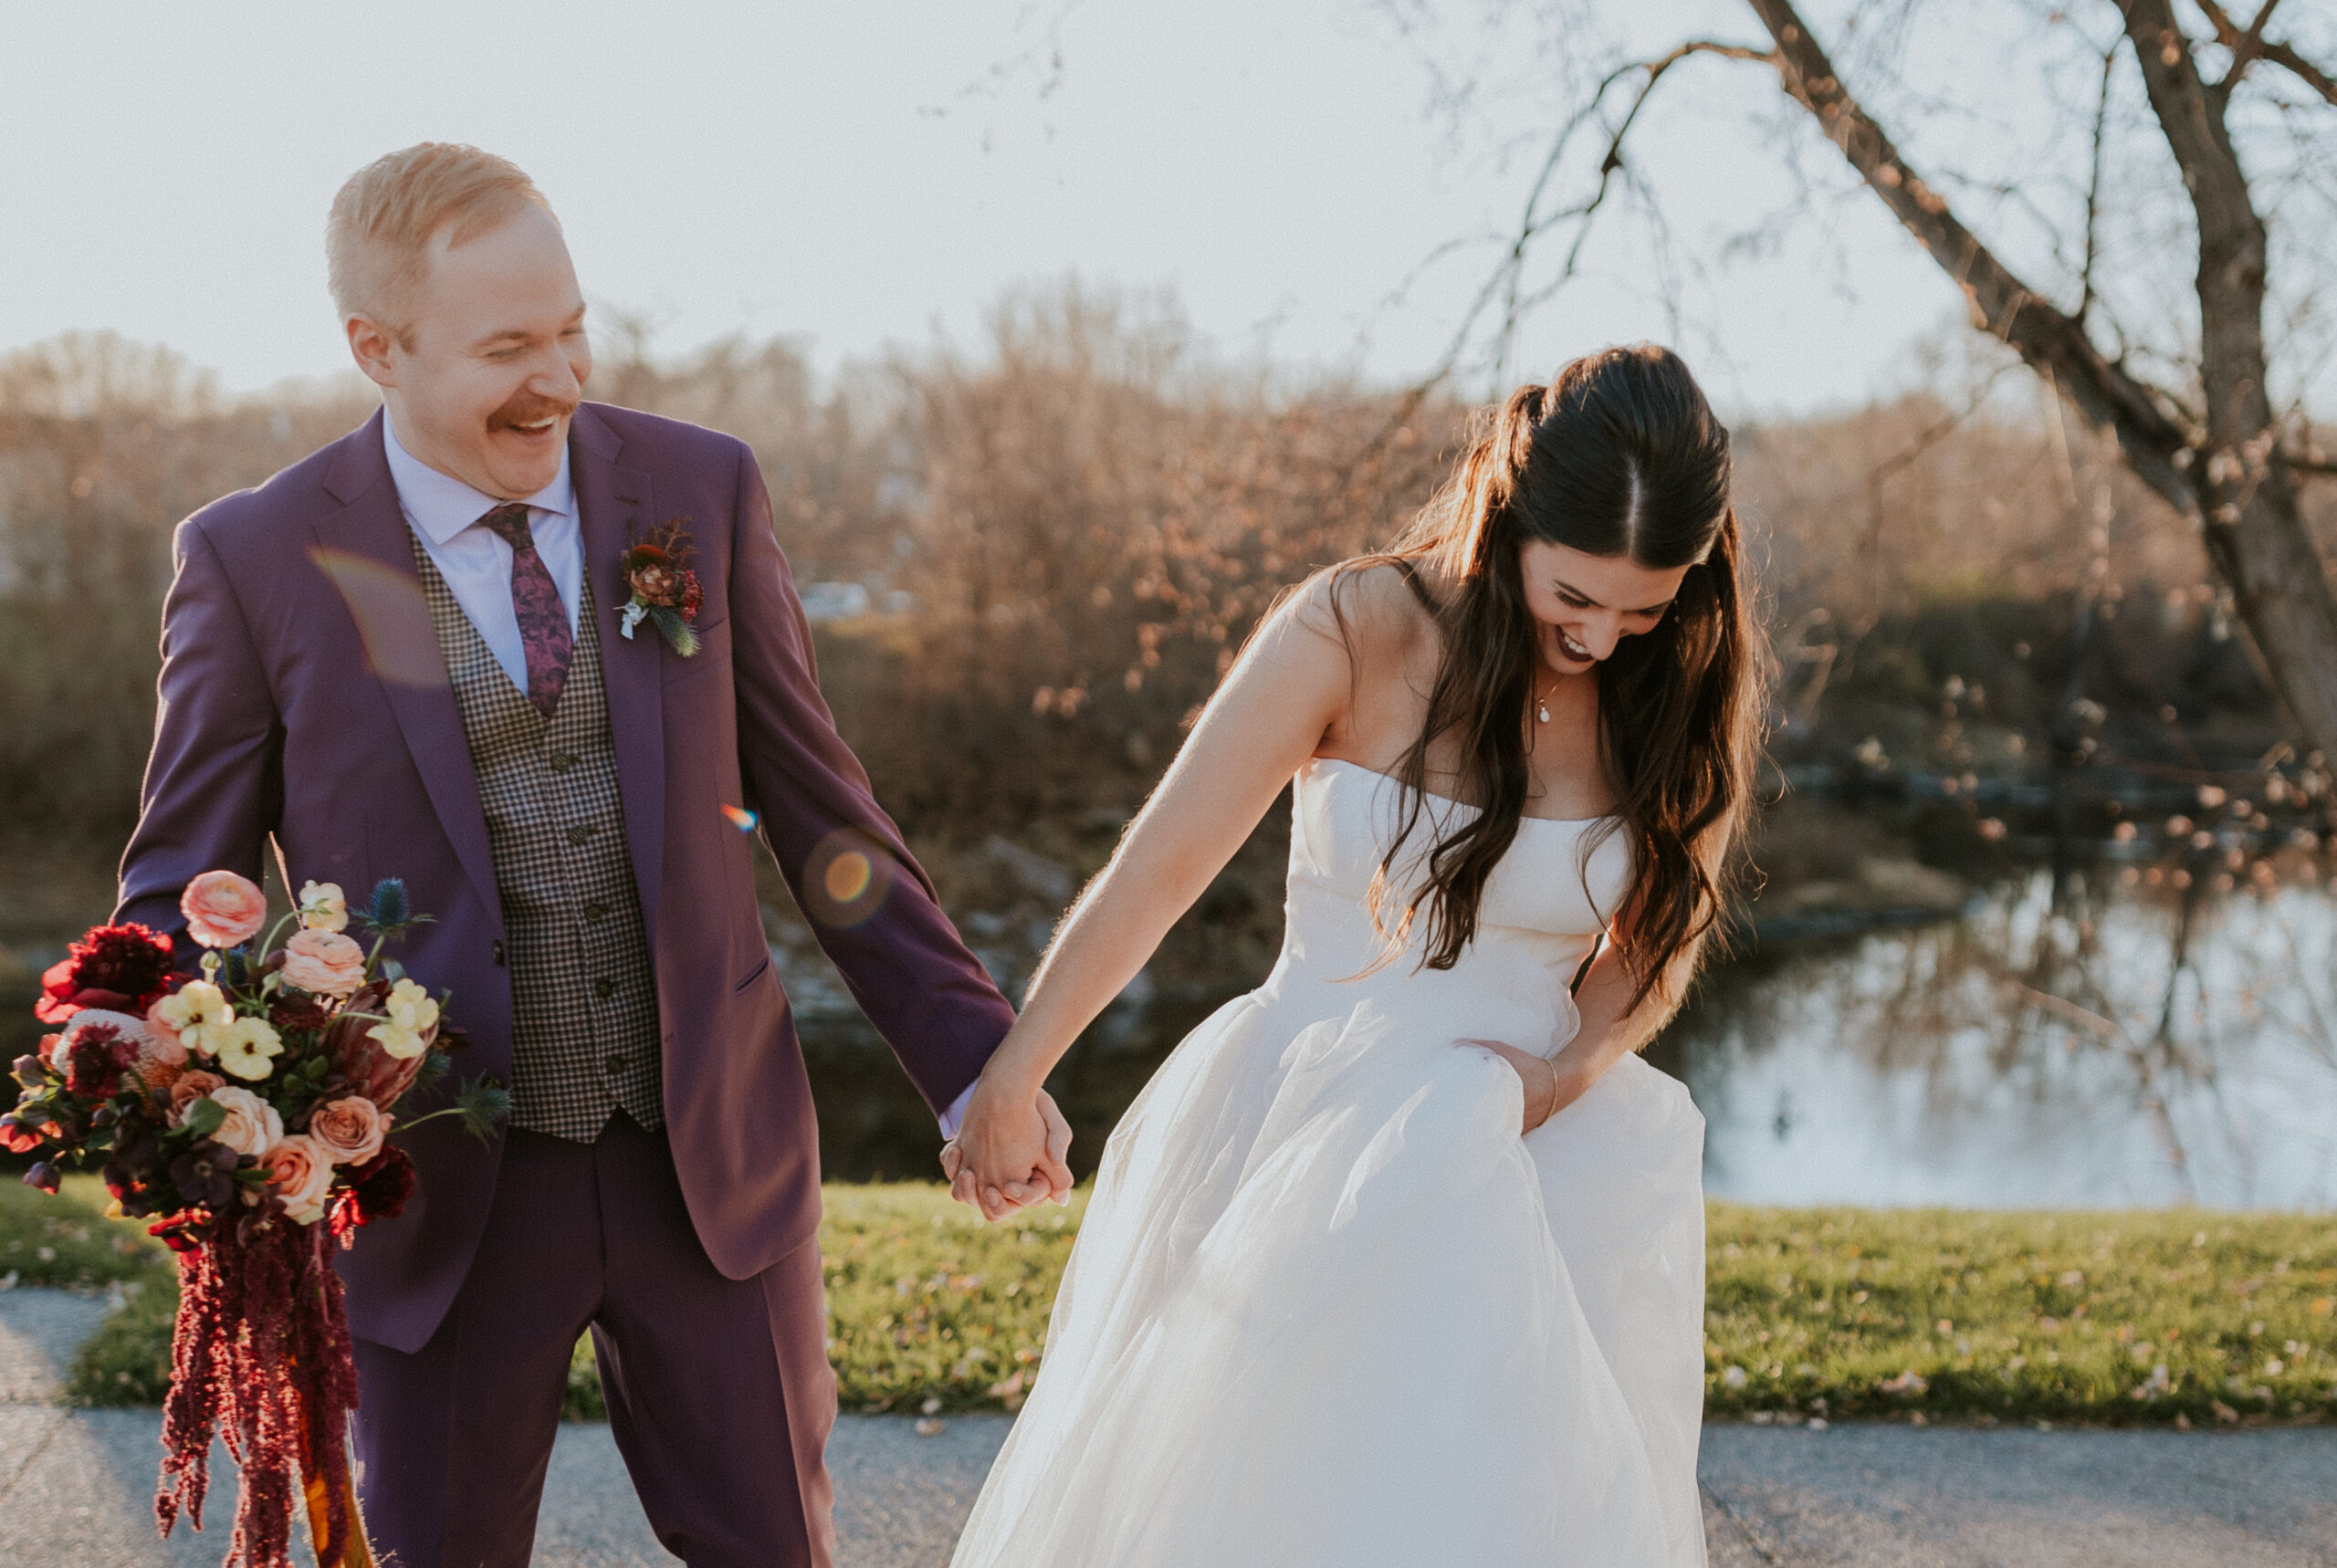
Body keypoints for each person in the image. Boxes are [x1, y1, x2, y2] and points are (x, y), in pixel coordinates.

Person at [111, 142, 1071, 1568]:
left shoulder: (695, 489)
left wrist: (982, 1062)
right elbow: (180, 894)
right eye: (508, 348)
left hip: (714, 1167)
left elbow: (826, 820)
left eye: (571, 330)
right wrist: (175, 1075)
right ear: (376, 347)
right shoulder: (256, 560)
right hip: (434, 1195)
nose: (558, 380)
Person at [943, 345, 1763, 1566]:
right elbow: (1162, 866)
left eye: (1644, 609)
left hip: (1533, 1169)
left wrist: (1564, 1072)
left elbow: (1652, 940)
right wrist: (1016, 1071)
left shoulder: (1677, 681)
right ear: (1511, 508)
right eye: (1574, 598)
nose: (1601, 638)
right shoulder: (1355, 624)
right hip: (1308, 1141)